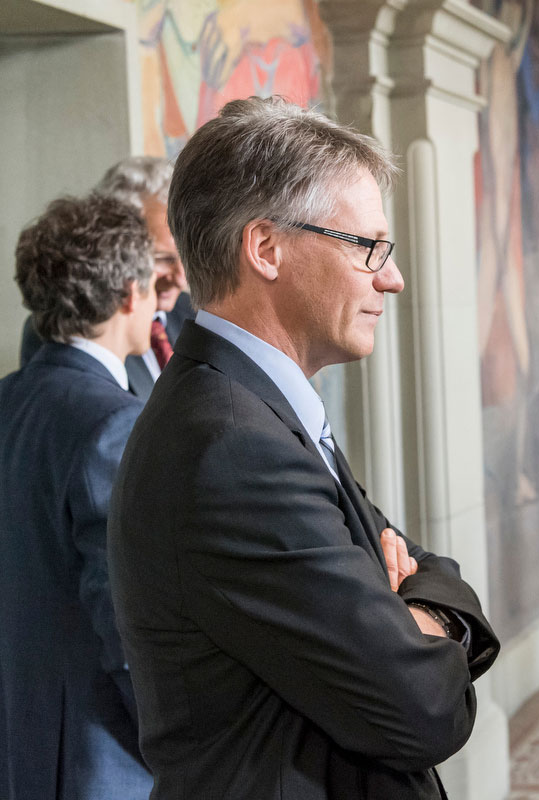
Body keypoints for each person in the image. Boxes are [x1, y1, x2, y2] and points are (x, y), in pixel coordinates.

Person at [108, 98, 499, 799]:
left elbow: (427, 564)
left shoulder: (254, 409)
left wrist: (414, 610)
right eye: (367, 246)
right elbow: (424, 710)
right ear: (266, 249)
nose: (393, 277)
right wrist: (423, 617)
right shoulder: (232, 443)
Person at [1, 194, 157, 799]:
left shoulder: (9, 400)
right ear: (127, 295)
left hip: (25, 744)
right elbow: (125, 623)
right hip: (102, 762)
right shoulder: (113, 424)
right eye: (150, 285)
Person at [19, 156, 193, 397]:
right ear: (115, 246)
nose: (182, 278)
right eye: (163, 259)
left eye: (185, 255)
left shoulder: (196, 315)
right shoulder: (62, 330)